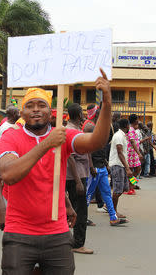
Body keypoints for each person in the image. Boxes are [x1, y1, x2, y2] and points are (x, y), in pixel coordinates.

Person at [0, 70, 115, 274]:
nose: (35, 110)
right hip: (19, 233)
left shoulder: (63, 135)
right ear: (22, 113)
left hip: (57, 233)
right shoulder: (10, 138)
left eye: (41, 105)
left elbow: (96, 141)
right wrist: (46, 144)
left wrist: (107, 104)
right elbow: (9, 174)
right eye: (29, 106)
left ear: (50, 112)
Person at [65, 103, 93, 255]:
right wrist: (77, 182)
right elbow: (70, 157)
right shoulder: (72, 131)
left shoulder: (75, 129)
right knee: (80, 210)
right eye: (82, 113)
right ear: (79, 115)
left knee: (71, 207)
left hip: (79, 173)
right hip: (75, 175)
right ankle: (78, 243)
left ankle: (69, 240)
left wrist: (91, 167)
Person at [110, 118, 132, 219]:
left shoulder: (122, 135)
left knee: (124, 188)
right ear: (127, 126)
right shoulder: (119, 136)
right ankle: (113, 211)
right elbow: (120, 153)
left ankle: (110, 206)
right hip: (117, 165)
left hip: (121, 165)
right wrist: (127, 168)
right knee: (118, 190)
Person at [124, 114, 142, 195]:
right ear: (135, 120)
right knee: (133, 170)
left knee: (137, 169)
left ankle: (130, 185)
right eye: (137, 119)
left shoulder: (133, 129)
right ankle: (130, 187)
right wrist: (138, 153)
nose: (138, 120)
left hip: (134, 153)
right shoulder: (131, 129)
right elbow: (132, 141)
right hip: (131, 153)